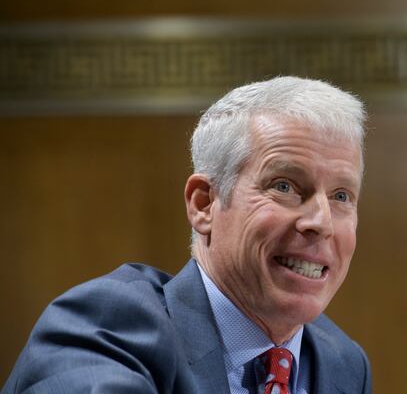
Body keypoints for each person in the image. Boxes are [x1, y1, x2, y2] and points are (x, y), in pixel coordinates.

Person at [2, 76, 371, 394]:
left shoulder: (343, 363)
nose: (321, 222)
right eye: (285, 186)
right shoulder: (106, 327)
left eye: (341, 196)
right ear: (204, 204)